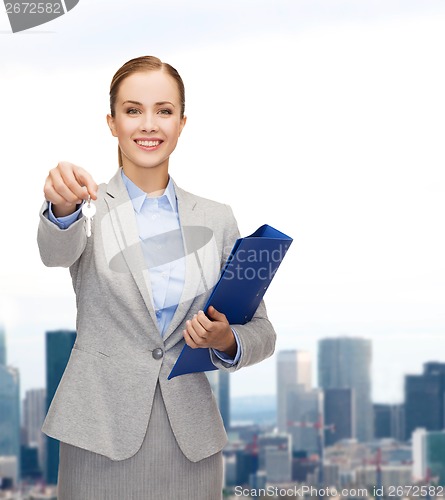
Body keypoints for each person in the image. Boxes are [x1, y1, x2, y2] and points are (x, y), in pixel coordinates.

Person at [37, 55, 276, 500]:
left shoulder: (218, 219)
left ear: (182, 123)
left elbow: (262, 331)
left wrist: (225, 341)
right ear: (111, 122)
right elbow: (56, 253)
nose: (149, 124)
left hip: (191, 441)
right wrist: (60, 208)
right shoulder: (86, 203)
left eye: (163, 111)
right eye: (133, 110)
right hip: (98, 434)